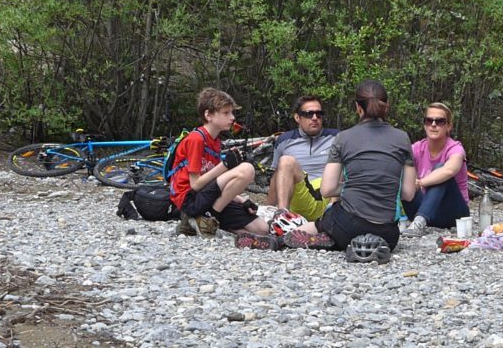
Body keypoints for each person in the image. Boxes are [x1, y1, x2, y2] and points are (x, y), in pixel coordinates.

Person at [280, 79, 416, 255]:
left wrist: (354, 185)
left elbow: (327, 190)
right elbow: (408, 193)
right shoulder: (403, 138)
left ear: (358, 108)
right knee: (343, 222)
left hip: (348, 227)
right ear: (386, 106)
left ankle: (284, 238)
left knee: (326, 219)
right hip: (388, 235)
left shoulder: (343, 138)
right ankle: (340, 240)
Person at [169, 88, 274, 241]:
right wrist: (225, 165)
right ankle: (207, 218)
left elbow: (218, 182)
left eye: (232, 113)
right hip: (190, 200)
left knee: (262, 229)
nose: (232, 118)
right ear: (208, 115)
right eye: (226, 113)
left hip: (208, 198)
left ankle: (204, 222)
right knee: (247, 169)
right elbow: (195, 185)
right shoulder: (196, 139)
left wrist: (241, 200)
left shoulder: (216, 142)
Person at [401, 102, 470, 237]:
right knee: (402, 174)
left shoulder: (455, 148)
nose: (433, 124)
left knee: (440, 169)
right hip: (425, 211)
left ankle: (419, 222)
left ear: (448, 126)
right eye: (429, 120)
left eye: (440, 121)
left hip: (454, 214)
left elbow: (449, 170)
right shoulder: (416, 148)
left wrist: (420, 183)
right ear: (424, 124)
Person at [265, 96, 338, 221]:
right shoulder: (284, 141)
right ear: (297, 117)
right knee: (286, 161)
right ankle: (282, 217)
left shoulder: (337, 137)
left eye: (319, 114)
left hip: (329, 198)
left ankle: (333, 217)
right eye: (309, 114)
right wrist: (267, 209)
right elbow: (276, 178)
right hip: (301, 198)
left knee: (344, 159)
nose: (315, 118)